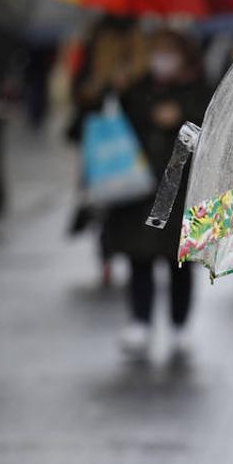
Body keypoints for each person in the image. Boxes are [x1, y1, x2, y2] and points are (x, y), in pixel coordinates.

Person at [103, 28, 211, 360]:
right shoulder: (136, 89)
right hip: (140, 189)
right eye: (156, 50)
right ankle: (140, 320)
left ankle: (180, 324)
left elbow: (209, 127)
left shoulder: (197, 88)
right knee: (140, 257)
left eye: (168, 50)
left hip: (180, 190)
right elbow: (113, 124)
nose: (161, 58)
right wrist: (115, 90)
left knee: (178, 261)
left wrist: (181, 117)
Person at [68, 18, 147, 288]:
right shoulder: (93, 48)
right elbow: (78, 91)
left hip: (133, 140)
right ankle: (107, 255)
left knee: (129, 199)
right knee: (104, 201)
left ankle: (124, 253)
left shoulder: (141, 51)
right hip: (102, 142)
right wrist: (95, 88)